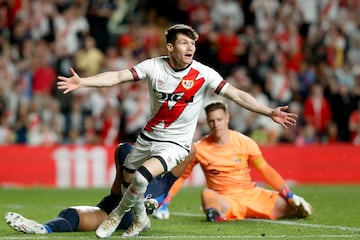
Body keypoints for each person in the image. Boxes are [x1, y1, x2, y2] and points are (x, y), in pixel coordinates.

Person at [56, 24, 297, 238]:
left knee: (141, 177)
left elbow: (236, 94)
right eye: (184, 42)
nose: (190, 47)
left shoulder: (204, 74)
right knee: (129, 179)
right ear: (170, 47)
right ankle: (140, 219)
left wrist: (269, 112)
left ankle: (116, 216)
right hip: (148, 137)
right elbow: (118, 77)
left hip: (176, 144)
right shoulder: (153, 66)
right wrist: (83, 82)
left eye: (192, 43)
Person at [151, 100, 312, 222]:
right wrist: (165, 202)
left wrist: (288, 193)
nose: (216, 125)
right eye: (212, 121)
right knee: (207, 195)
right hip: (225, 200)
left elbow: (266, 170)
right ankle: (218, 214)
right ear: (207, 122)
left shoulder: (245, 142)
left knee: (303, 209)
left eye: (219, 119)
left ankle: (222, 214)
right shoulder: (200, 148)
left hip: (252, 196)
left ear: (227, 118)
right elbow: (182, 177)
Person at [4, 142, 193, 234]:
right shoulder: (129, 157)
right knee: (71, 214)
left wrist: (171, 138)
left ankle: (141, 214)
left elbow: (191, 148)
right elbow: (118, 188)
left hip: (126, 216)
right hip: (112, 208)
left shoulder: (166, 178)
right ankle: (43, 229)